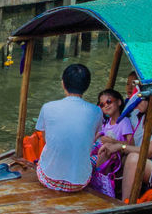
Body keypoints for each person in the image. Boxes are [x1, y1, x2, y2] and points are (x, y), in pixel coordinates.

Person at [34, 64, 102, 193]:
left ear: (63, 83)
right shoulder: (96, 111)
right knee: (95, 152)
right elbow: (92, 138)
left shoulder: (48, 107)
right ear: (86, 86)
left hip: (48, 179)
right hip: (79, 182)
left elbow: (45, 138)